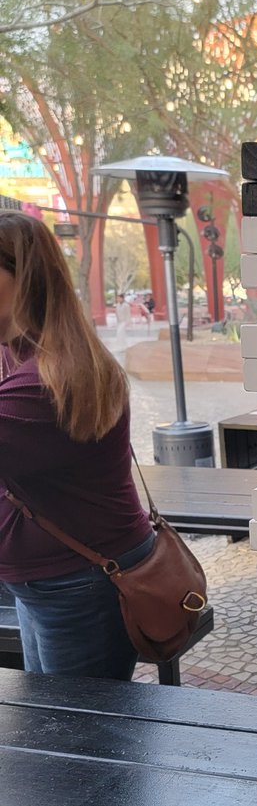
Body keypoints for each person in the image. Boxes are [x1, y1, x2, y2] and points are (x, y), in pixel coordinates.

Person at [0, 211, 153, 679]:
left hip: (77, 584)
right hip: (48, 582)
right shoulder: (27, 352)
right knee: (53, 725)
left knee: (78, 738)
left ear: (19, 278)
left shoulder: (46, 383)